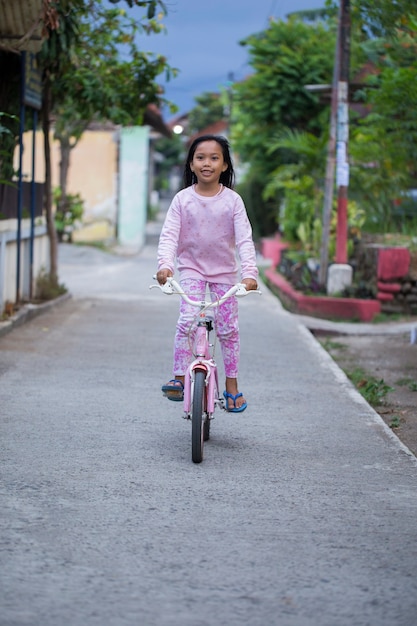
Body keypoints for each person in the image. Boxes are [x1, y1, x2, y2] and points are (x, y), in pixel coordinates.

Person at [156, 134, 258, 412]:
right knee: (186, 321)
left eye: (214, 158)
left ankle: (232, 387)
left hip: (225, 274)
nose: (207, 163)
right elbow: (169, 237)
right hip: (191, 270)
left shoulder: (233, 201)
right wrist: (165, 265)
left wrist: (250, 274)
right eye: (200, 157)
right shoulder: (182, 200)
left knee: (228, 330)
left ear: (225, 165)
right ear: (191, 164)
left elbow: (245, 240)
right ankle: (178, 378)